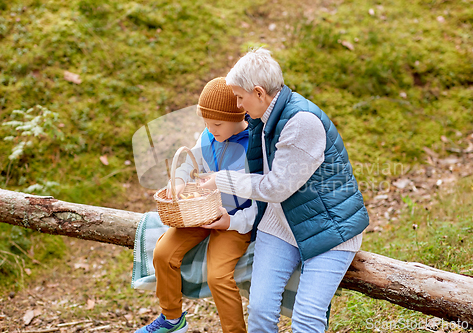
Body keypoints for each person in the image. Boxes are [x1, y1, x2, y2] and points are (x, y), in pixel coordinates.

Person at [200, 49, 369, 333]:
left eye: (240, 97)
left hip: (328, 227)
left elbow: (276, 187)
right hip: (280, 223)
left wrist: (222, 180)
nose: (238, 105)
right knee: (261, 311)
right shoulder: (262, 118)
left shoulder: (301, 123)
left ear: (259, 93)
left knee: (306, 320)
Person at [136, 77, 256, 333]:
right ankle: (172, 319)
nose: (210, 129)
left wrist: (232, 222)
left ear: (240, 114)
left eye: (217, 123)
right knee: (163, 253)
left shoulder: (253, 147)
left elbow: (260, 198)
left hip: (233, 221)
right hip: (200, 212)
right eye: (206, 123)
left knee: (218, 276)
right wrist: (179, 180)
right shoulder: (208, 136)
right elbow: (190, 161)